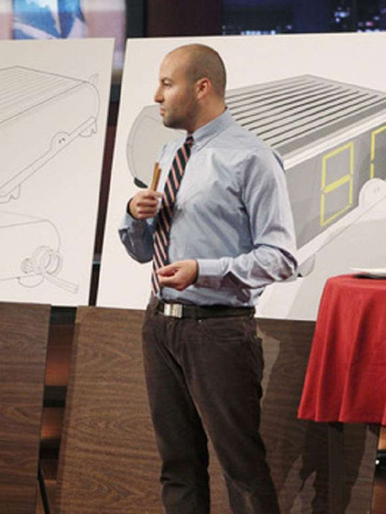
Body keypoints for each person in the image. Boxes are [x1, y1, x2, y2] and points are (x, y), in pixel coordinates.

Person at [119, 43, 297, 514]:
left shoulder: (252, 158)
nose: (156, 95)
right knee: (177, 465)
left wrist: (205, 270)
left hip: (218, 331)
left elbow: (281, 257)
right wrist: (134, 216)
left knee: (242, 469)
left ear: (202, 88)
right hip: (159, 326)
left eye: (167, 83)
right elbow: (143, 252)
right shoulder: (170, 151)